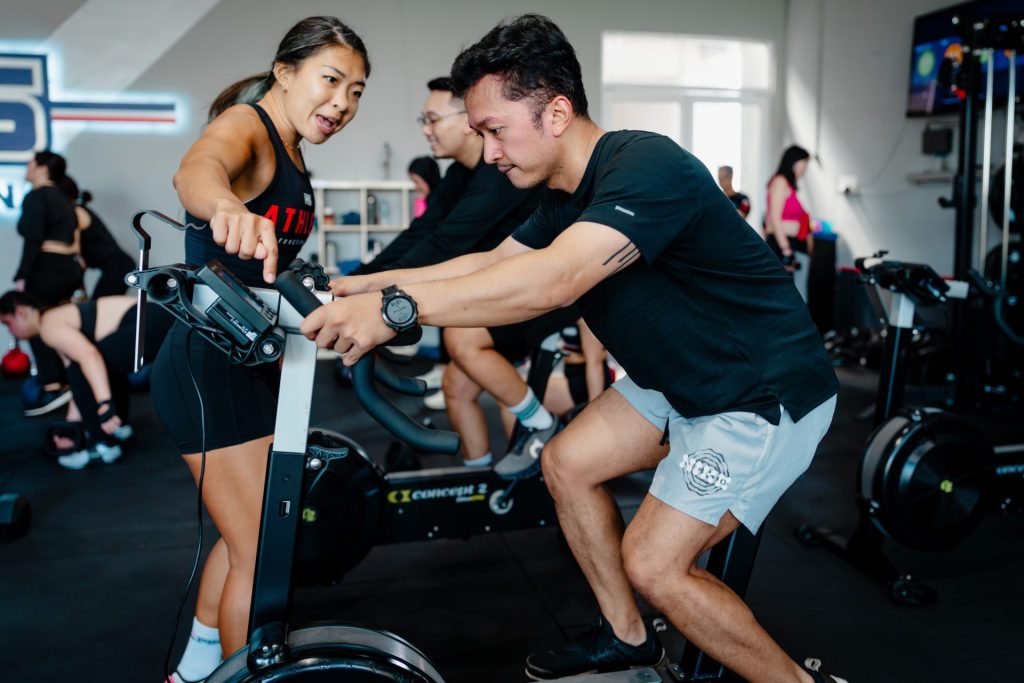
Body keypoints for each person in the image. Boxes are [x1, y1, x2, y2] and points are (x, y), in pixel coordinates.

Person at [300, 14, 844, 683]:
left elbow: (553, 282)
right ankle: (630, 637)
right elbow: (489, 263)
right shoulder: (564, 195)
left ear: (556, 113)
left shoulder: (646, 166)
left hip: (759, 392)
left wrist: (396, 311)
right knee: (566, 461)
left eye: (495, 130)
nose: (489, 153)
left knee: (654, 565)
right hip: (679, 379)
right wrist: (356, 286)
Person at [148, 16, 370, 679]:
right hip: (208, 365)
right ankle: (245, 673)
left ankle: (195, 670)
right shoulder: (249, 125)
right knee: (264, 551)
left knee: (245, 534)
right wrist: (224, 206)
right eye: (331, 80)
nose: (342, 102)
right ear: (285, 72)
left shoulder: (295, 153)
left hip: (251, 363)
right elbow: (197, 169)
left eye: (357, 91)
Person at [343, 76, 576, 469]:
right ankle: (479, 480)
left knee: (461, 341)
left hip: (540, 294)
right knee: (455, 387)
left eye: (433, 119)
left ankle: (541, 423)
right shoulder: (457, 175)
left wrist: (371, 290)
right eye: (423, 120)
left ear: (468, 121)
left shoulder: (498, 176)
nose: (426, 130)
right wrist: (358, 280)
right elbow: (422, 232)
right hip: (501, 286)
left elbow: (445, 243)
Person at [0, 291, 173, 469]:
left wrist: (105, 405)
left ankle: (102, 445)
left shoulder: (48, 327)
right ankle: (119, 427)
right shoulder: (53, 322)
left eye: (8, 323)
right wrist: (71, 424)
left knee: (89, 365)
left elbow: (89, 357)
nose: (10, 331)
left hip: (147, 320)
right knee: (91, 368)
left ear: (21, 312)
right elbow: (77, 381)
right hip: (155, 318)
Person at [14, 151, 83, 416]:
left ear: (42, 168)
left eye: (30, 163)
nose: (27, 167)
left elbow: (32, 240)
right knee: (57, 323)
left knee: (37, 326)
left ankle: (53, 386)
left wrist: (22, 276)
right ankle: (70, 381)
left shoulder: (37, 196)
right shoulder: (63, 198)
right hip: (67, 269)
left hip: (47, 269)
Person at [59, 176, 136, 298]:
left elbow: (76, 252)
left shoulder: (76, 212)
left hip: (119, 266)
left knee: (98, 306)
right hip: (120, 265)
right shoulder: (75, 211)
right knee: (98, 305)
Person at [764, 145, 813, 273]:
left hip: (788, 243)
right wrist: (786, 250)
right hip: (779, 244)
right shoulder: (780, 181)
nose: (805, 168)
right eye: (804, 162)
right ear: (794, 161)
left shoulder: (790, 186)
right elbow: (775, 218)